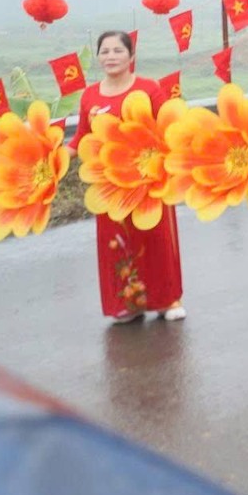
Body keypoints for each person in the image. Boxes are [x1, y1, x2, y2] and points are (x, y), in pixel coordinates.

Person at [76, 30, 184, 324]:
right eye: (105, 51)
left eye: (117, 51)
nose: (110, 57)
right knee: (117, 242)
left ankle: (166, 300)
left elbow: (170, 128)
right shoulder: (90, 96)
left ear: (131, 56)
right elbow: (82, 138)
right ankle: (127, 303)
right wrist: (52, 156)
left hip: (150, 182)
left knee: (155, 239)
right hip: (110, 183)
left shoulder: (148, 89)